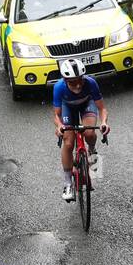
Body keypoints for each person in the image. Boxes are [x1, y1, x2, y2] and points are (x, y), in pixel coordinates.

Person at [52, 58, 109, 202]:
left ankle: (92, 151)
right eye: (72, 82)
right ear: (65, 80)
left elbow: (102, 108)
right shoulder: (59, 87)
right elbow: (57, 115)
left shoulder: (90, 83)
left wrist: (103, 123)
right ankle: (68, 184)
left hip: (86, 105)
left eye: (80, 80)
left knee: (90, 132)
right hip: (67, 108)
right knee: (69, 142)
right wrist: (59, 126)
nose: (77, 85)